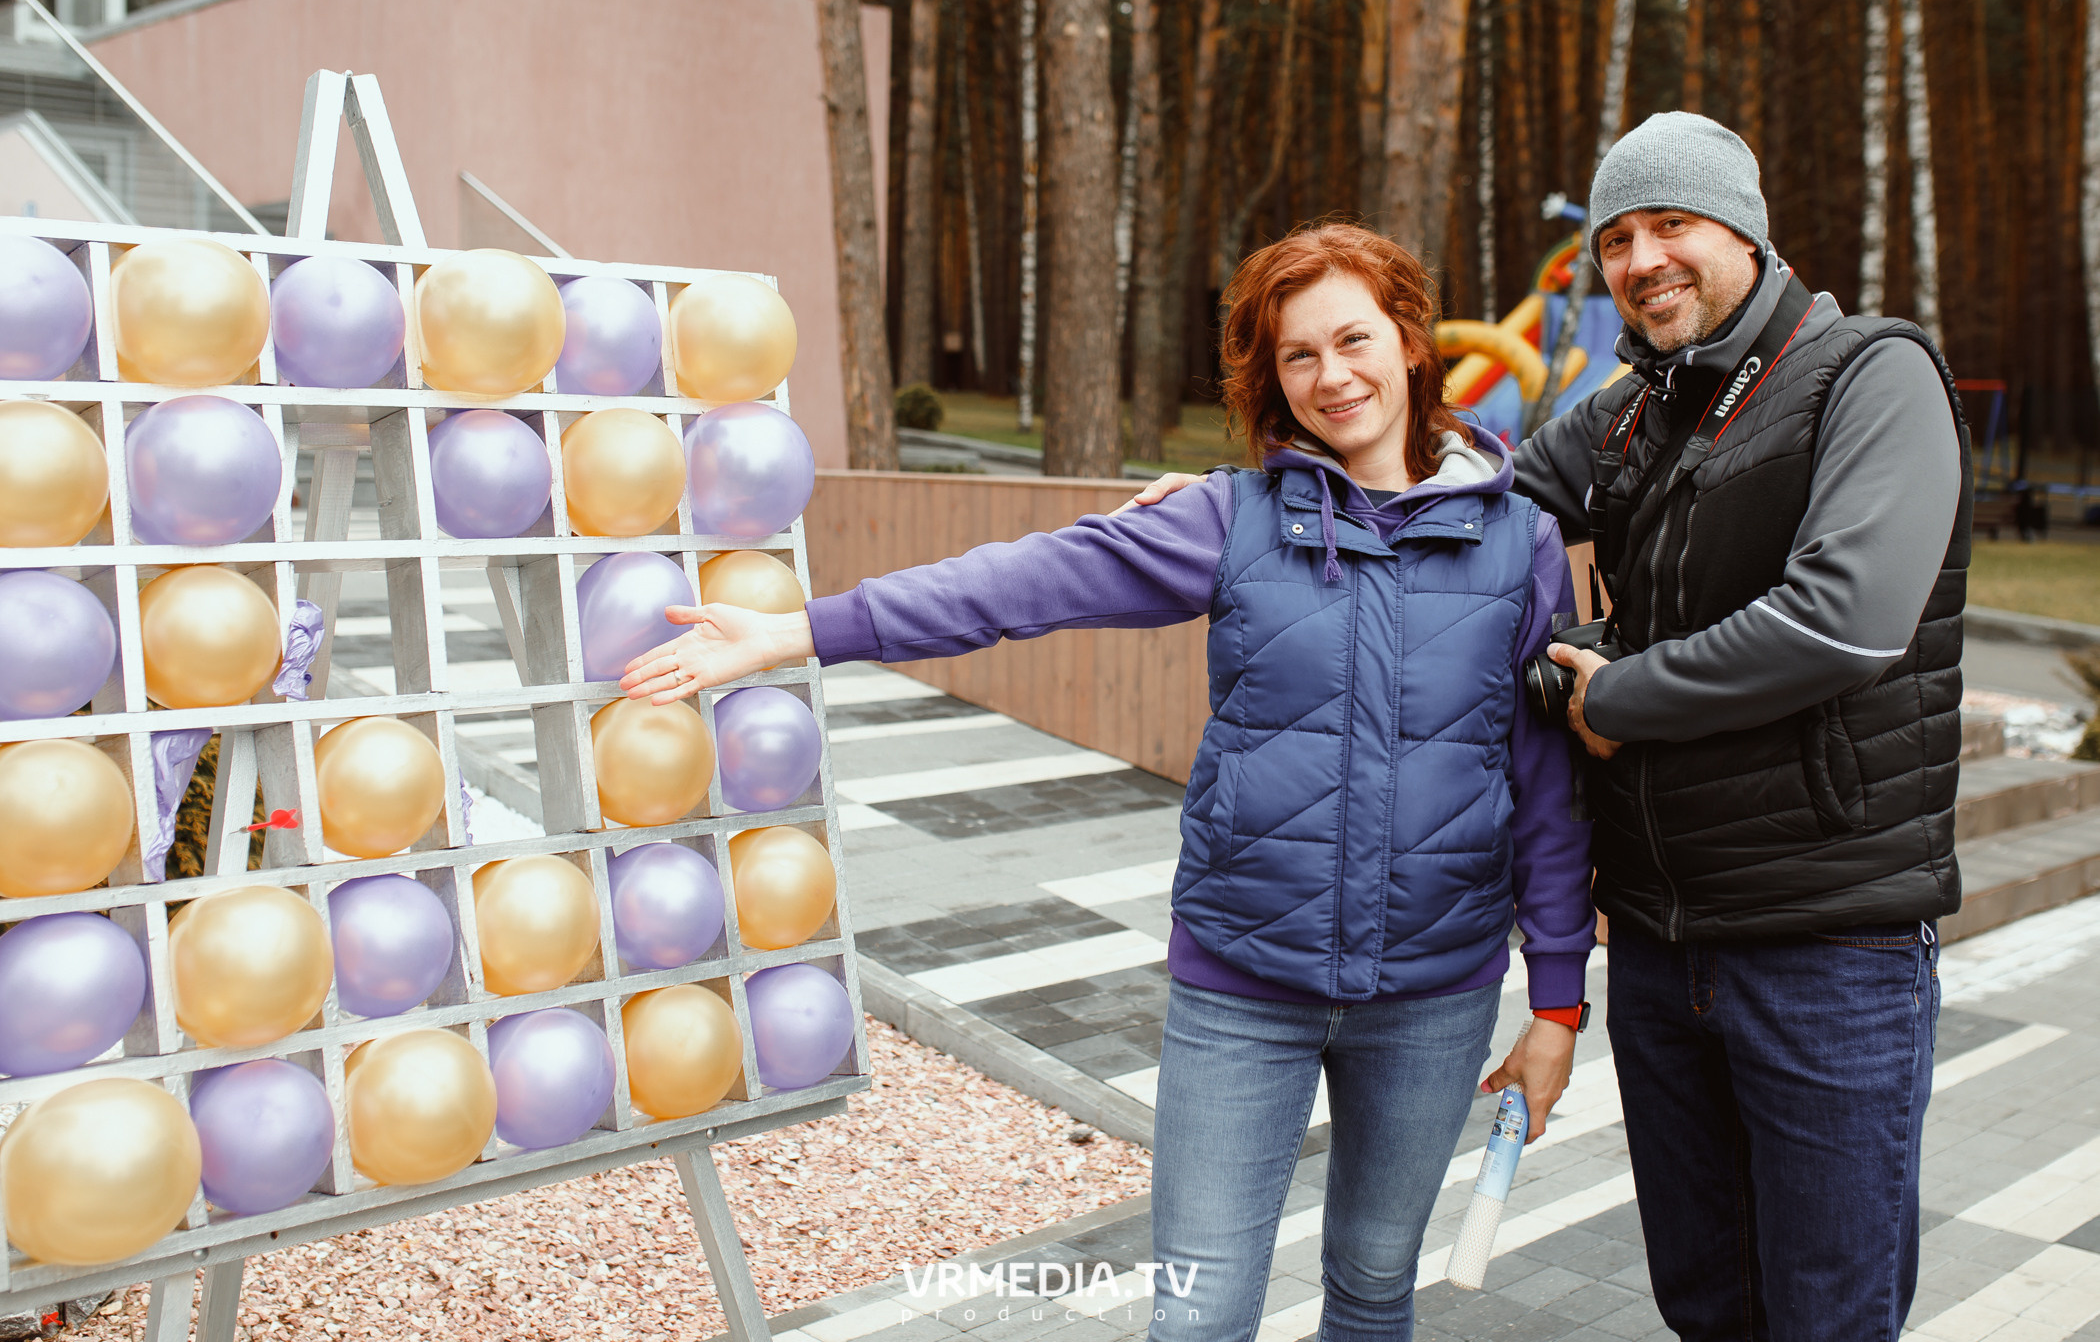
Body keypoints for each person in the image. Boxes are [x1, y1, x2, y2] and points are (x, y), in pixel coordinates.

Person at [623, 224, 1596, 1341]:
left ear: (1412, 341)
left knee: (1376, 1287)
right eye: (1298, 355)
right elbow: (1015, 584)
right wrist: (797, 630)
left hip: (1436, 992)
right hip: (1244, 989)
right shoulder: (1233, 519)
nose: (1332, 376)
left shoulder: (1518, 541)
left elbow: (1545, 783)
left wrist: (1556, 1001)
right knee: (1197, 1314)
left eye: (1354, 340)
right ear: (1271, 378)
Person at [1134, 113, 1972, 1340]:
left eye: (1672, 225)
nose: (1641, 259)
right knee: (1708, 1296)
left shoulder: (1869, 374)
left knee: (1827, 1306)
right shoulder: (1633, 413)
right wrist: (1257, 495)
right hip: (1667, 940)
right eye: (1618, 238)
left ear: (1745, 230)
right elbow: (1445, 488)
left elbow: (1843, 624)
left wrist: (1613, 694)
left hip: (1827, 936)